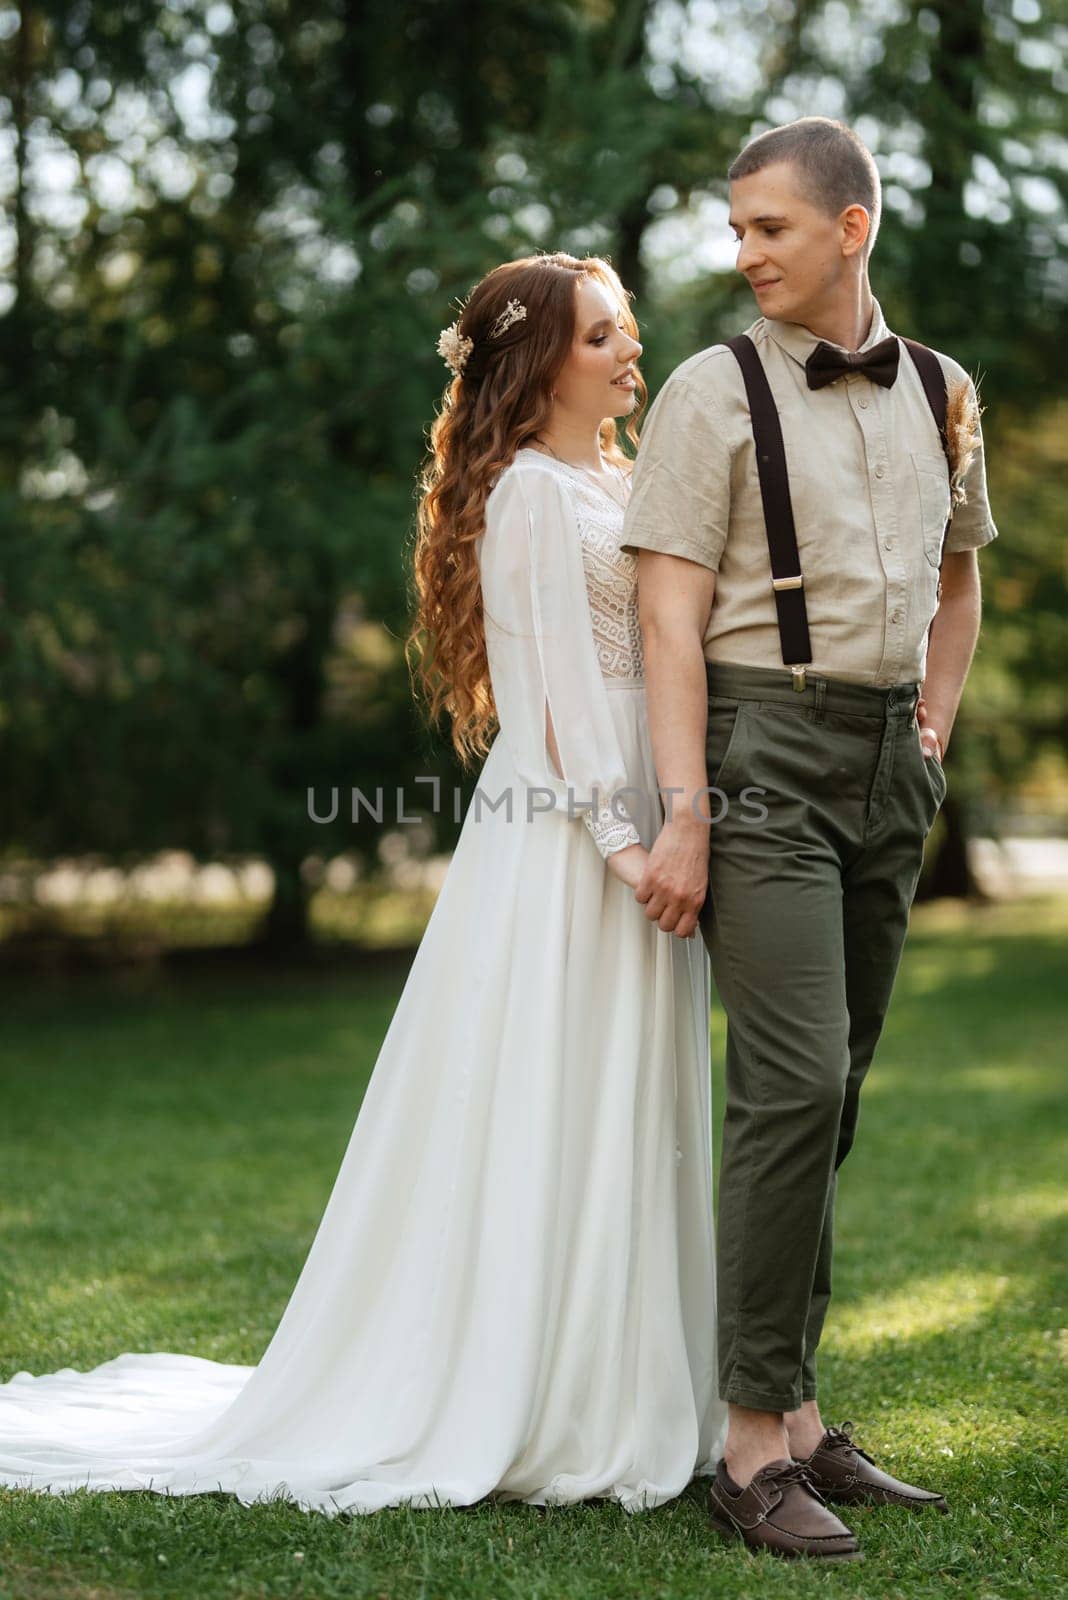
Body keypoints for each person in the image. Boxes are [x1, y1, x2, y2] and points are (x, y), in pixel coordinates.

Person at [0, 253, 728, 1517]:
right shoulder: (532, 500)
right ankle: (529, 1387)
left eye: (625, 328)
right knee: (550, 1089)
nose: (629, 350)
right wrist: (625, 847)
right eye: (602, 334)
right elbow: (550, 705)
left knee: (625, 1093)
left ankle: (620, 1374)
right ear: (541, 361)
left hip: (647, 808)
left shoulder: (619, 477)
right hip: (572, 838)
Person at [622, 117, 998, 1562]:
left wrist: (933, 733)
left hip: (886, 762)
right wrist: (687, 811)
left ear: (852, 229)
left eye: (769, 228)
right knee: (786, 1089)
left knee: (832, 1093)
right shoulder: (712, 395)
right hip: (758, 752)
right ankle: (743, 1447)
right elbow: (665, 616)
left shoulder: (949, 391)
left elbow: (958, 581)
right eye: (737, 230)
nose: (744, 255)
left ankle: (801, 1422)